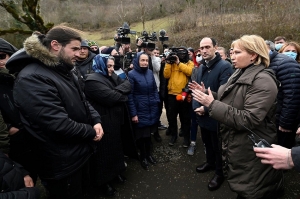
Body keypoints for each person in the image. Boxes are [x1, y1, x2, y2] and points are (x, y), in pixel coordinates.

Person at [6, 25, 104, 199]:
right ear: (55, 45)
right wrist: (90, 132)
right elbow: (57, 125)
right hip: (61, 163)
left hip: (79, 153)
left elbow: (82, 101)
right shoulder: (33, 77)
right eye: (74, 49)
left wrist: (96, 120)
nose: (79, 53)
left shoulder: (64, 70)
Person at [191, 35, 283, 198]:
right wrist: (208, 93)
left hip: (251, 148)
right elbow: (230, 98)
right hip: (239, 144)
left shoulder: (263, 80)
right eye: (232, 52)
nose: (232, 56)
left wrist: (211, 104)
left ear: (253, 55)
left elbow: (249, 119)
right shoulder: (239, 73)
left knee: (253, 189)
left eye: (237, 52)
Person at [190, 37, 233, 191]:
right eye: (202, 48)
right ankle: (210, 163)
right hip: (202, 116)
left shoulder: (225, 67)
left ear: (215, 47)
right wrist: (197, 108)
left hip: (216, 116)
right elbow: (198, 90)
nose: (204, 50)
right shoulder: (201, 67)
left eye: (207, 47)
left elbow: (226, 95)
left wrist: (207, 109)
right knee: (208, 143)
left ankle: (220, 173)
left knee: (218, 147)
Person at [85, 55, 131, 197]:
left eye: (112, 66)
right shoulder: (92, 81)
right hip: (103, 123)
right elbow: (112, 98)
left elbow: (127, 84)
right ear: (100, 65)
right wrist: (121, 96)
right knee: (103, 154)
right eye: (109, 66)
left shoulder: (109, 76)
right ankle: (105, 182)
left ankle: (116, 172)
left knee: (116, 149)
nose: (112, 69)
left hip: (115, 121)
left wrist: (118, 94)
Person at [0, 38, 38, 183]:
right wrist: (10, 128)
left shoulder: (25, 77)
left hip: (37, 133)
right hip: (15, 141)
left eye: (1, 56)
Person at [127, 52, 160, 170]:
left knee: (149, 134)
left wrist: (157, 101)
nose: (145, 62)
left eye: (146, 60)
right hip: (140, 109)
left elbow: (155, 89)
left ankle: (149, 154)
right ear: (137, 61)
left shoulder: (150, 72)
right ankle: (143, 157)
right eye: (142, 60)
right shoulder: (131, 74)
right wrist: (134, 113)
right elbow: (129, 96)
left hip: (151, 107)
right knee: (141, 135)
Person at [265, 40, 300, 149]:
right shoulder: (271, 63)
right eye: (288, 50)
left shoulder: (287, 65)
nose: (291, 53)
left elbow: (292, 96)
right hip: (274, 118)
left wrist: (286, 122)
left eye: (293, 51)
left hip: (284, 120)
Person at [164, 47, 193, 147]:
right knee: (172, 117)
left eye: (182, 54)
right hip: (172, 94)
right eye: (178, 54)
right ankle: (174, 135)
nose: (180, 56)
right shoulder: (170, 63)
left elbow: (190, 72)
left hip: (184, 94)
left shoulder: (189, 63)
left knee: (185, 118)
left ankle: (186, 138)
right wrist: (168, 62)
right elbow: (166, 75)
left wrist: (178, 63)